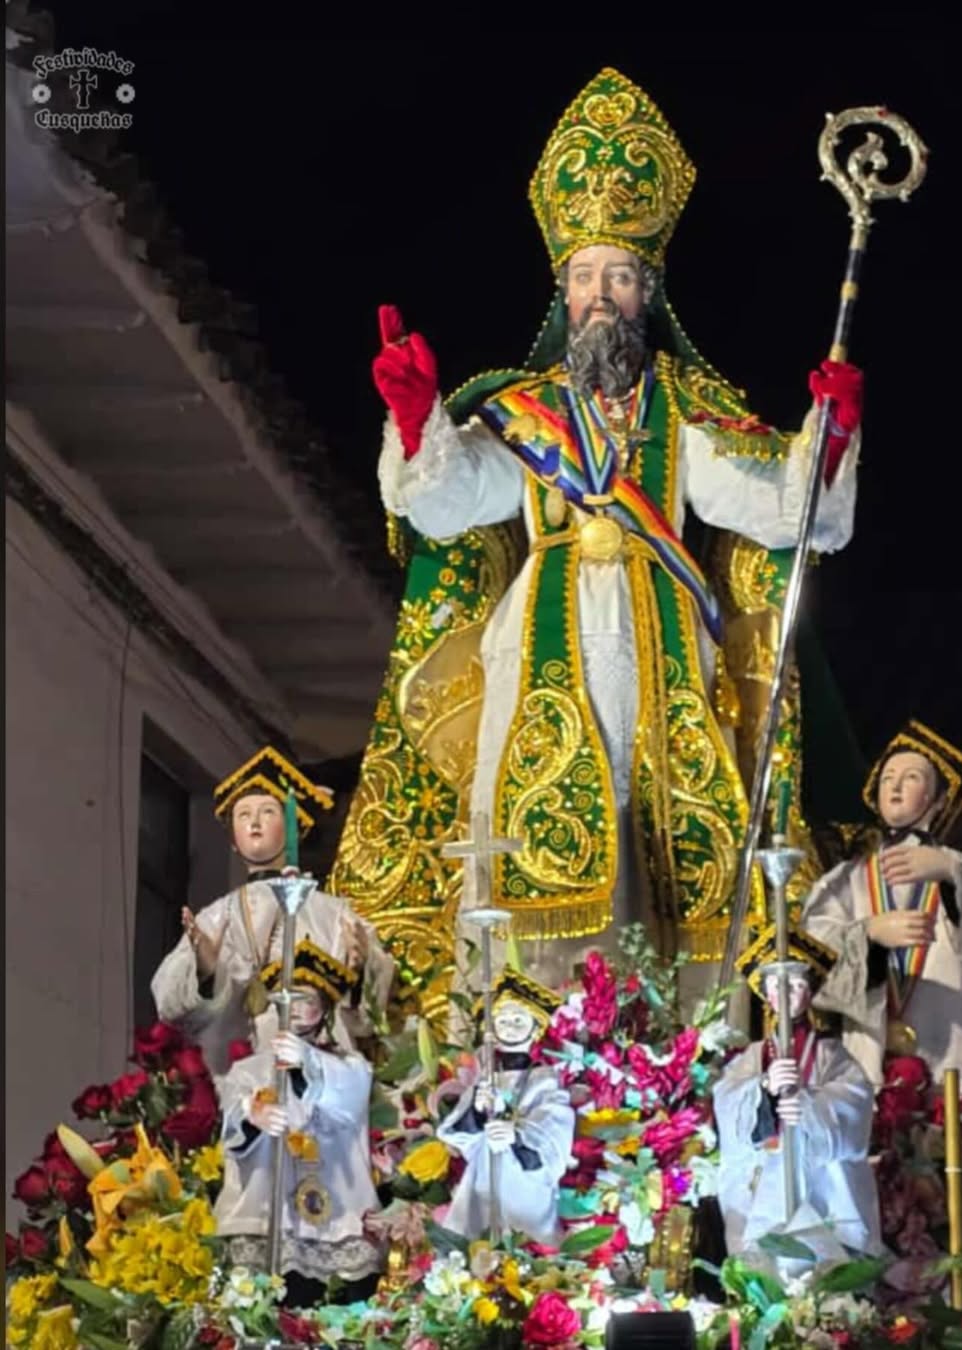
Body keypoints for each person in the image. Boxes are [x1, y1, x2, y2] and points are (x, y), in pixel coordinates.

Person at [333, 66, 866, 991]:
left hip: (665, 650)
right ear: (563, 294)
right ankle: (519, 1031)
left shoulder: (689, 419)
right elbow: (450, 504)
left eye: (620, 275)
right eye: (585, 276)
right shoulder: (519, 414)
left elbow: (787, 518)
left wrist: (832, 435)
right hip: (543, 640)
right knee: (528, 822)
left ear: (648, 292)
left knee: (662, 829)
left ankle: (674, 1049)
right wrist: (419, 421)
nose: (602, 293)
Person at [801, 720, 962, 1343]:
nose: (896, 785)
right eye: (888, 776)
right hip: (870, 1069)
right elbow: (808, 966)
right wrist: (868, 936)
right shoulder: (841, 885)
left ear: (940, 798)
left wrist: (947, 869)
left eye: (912, 776)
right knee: (879, 1209)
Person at [151, 746, 394, 1076]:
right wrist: (205, 972)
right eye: (243, 815)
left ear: (296, 827)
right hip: (239, 1069)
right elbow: (168, 1003)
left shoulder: (333, 914)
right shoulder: (217, 916)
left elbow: (369, 1016)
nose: (254, 822)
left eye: (267, 812)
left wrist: (361, 969)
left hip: (316, 1068)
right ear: (233, 841)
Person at [214, 939, 383, 1304]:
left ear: (324, 1009)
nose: (296, 1008)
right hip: (265, 1211)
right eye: (287, 999)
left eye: (307, 1000)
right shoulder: (249, 1071)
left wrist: (305, 1058)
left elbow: (348, 1100)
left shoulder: (350, 1067)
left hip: (336, 1212)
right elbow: (231, 1118)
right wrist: (251, 1113)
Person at [713, 923, 881, 1263]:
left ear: (809, 993)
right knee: (765, 1265)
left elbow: (855, 1103)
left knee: (825, 1265)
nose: (787, 993)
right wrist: (764, 1091)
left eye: (797, 984)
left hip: (823, 1184)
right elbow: (727, 1104)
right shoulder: (753, 1057)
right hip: (764, 1182)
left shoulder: (832, 1055)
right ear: (768, 995)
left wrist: (808, 1106)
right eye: (778, 986)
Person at [437, 970, 574, 1245]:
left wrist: (517, 1137)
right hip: (485, 1178)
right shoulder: (486, 1079)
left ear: (536, 1029)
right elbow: (456, 1134)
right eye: (502, 1021)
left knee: (525, 1245)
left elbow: (554, 1139)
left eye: (518, 1020)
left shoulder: (545, 1080)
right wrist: (476, 1110)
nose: (509, 1026)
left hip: (526, 1186)